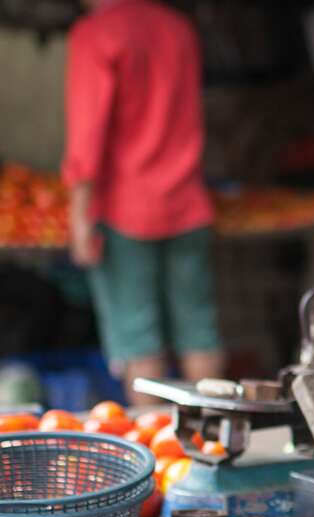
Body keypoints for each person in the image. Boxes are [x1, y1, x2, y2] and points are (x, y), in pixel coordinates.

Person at [63, 0, 223, 402]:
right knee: (199, 333)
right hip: (188, 201)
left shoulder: (96, 34)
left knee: (138, 341)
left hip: (125, 209)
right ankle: (216, 444)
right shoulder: (177, 27)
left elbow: (87, 134)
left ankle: (155, 452)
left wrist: (79, 216)